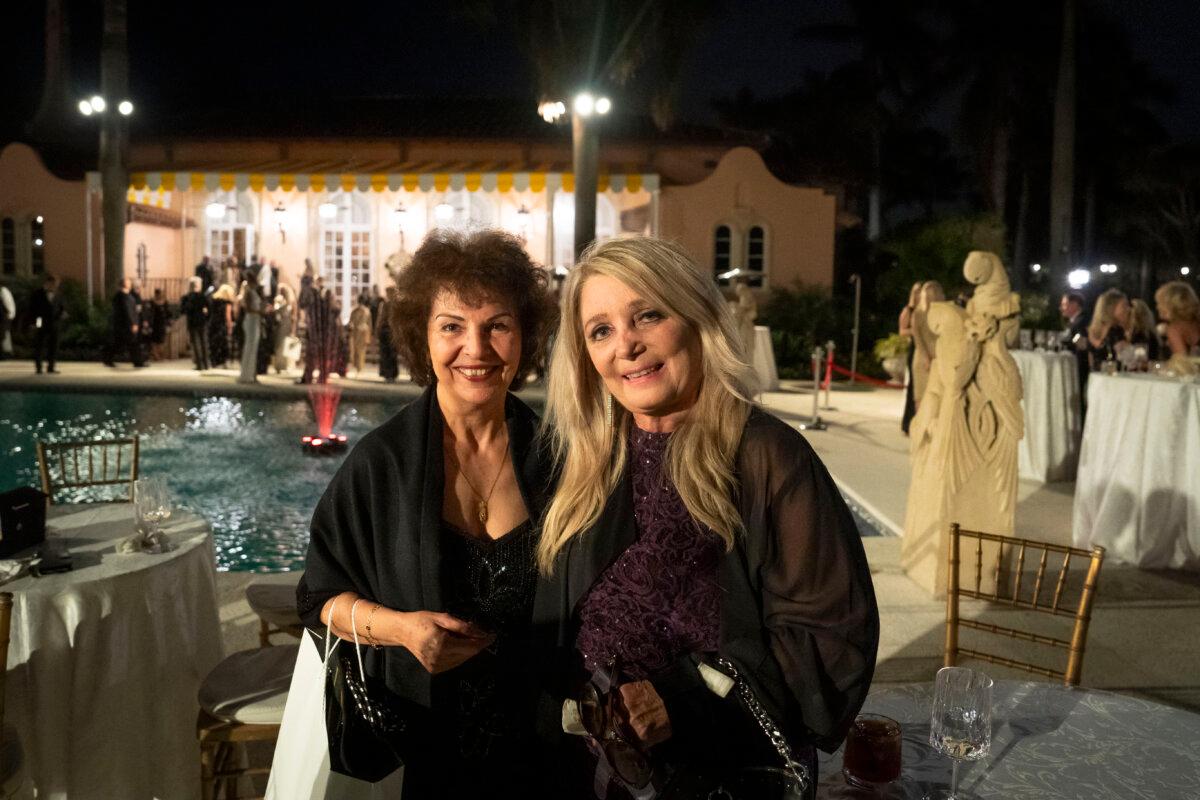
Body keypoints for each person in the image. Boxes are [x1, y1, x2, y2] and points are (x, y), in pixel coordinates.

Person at [533, 237, 879, 799]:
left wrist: (683, 700)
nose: (627, 345)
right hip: (591, 776)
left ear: (696, 319)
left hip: (720, 779)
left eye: (647, 314)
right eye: (601, 330)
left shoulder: (768, 456)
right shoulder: (586, 463)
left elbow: (830, 637)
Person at [296, 229, 557, 799]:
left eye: (498, 325)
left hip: (545, 755)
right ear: (423, 337)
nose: (477, 349)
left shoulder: (559, 457)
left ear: (525, 335)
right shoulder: (380, 464)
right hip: (426, 753)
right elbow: (316, 599)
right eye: (452, 326)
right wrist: (401, 631)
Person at [910, 280, 944, 410]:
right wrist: (926, 357)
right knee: (921, 396)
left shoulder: (942, 313)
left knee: (938, 396)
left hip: (938, 358)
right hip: (923, 359)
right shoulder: (918, 314)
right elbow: (917, 339)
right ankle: (920, 427)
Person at [105, 278, 145, 367]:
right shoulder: (121, 296)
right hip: (124, 325)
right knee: (130, 343)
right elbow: (127, 311)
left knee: (123, 343)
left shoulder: (128, 296)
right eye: (128, 282)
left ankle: (108, 359)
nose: (130, 283)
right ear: (124, 284)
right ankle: (138, 362)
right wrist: (133, 323)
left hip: (125, 325)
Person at [30, 274, 66, 374]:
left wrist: (62, 314)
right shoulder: (37, 294)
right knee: (39, 345)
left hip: (54, 323)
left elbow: (62, 307)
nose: (55, 286)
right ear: (48, 283)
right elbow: (32, 310)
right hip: (41, 322)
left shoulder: (59, 294)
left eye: (57, 284)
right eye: (54, 284)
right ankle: (38, 367)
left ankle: (51, 367)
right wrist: (35, 324)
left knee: (53, 346)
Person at [1155, 280, 1200, 358]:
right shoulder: (1196, 321)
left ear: (1172, 304)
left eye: (1160, 303)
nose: (1157, 307)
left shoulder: (1174, 329)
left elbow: (1182, 364)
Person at [899, 282, 922, 435]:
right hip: (915, 350)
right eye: (917, 291)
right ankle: (908, 423)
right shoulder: (909, 310)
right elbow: (902, 331)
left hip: (925, 350)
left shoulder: (927, 310)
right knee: (913, 387)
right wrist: (916, 331)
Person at [1086, 288, 1129, 370]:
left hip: (1097, 378)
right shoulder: (1116, 331)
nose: (1128, 309)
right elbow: (1128, 359)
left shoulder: (1093, 330)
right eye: (1124, 306)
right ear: (1111, 308)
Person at [237, 274, 264, 384]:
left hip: (255, 320)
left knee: (253, 347)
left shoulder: (253, 292)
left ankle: (251, 374)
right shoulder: (249, 292)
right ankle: (246, 375)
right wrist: (260, 312)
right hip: (251, 320)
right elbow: (248, 308)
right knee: (250, 346)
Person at [181, 277, 211, 370]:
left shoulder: (186, 297)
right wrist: (206, 317)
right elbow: (209, 308)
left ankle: (199, 364)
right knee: (203, 343)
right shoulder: (202, 297)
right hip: (202, 321)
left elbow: (183, 310)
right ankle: (206, 364)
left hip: (192, 322)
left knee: (196, 343)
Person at [208, 284, 235, 368]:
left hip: (213, 323)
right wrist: (230, 326)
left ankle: (214, 361)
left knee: (213, 343)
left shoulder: (213, 300)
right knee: (222, 343)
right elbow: (228, 315)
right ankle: (222, 362)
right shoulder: (227, 303)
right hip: (221, 325)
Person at [377, 285, 400, 382]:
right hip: (386, 331)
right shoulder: (386, 304)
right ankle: (387, 374)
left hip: (392, 331)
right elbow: (381, 318)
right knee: (386, 354)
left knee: (391, 354)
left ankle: (391, 374)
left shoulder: (394, 305)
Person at [272, 284, 296, 374]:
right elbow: (276, 311)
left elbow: (293, 316)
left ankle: (285, 365)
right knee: (279, 344)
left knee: (286, 344)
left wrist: (293, 328)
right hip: (280, 324)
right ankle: (278, 365)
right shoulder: (278, 300)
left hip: (287, 324)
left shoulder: (291, 302)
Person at [348, 293, 373, 376]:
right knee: (360, 350)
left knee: (358, 350)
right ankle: (359, 367)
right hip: (362, 332)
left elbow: (351, 322)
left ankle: (358, 367)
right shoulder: (366, 311)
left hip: (358, 332)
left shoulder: (356, 310)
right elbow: (369, 324)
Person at [148, 288, 171, 361]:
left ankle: (160, 356)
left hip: (161, 324)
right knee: (155, 341)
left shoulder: (165, 302)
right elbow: (150, 313)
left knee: (161, 341)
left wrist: (169, 321)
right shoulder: (152, 302)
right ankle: (156, 356)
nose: (159, 295)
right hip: (155, 324)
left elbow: (168, 313)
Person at [0, 282, 15, 358]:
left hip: (2, 319)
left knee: (3, 336)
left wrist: (10, 315)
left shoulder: (3, 291)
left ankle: (5, 354)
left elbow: (9, 304)